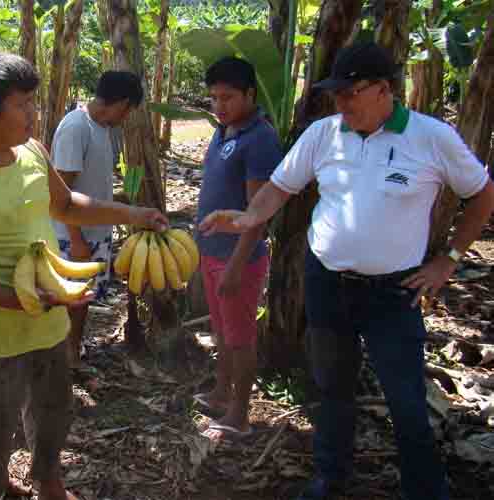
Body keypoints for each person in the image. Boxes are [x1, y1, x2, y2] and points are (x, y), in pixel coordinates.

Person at [201, 42, 494, 500]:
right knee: (332, 390)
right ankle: (329, 478)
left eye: (350, 93)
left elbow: (482, 193)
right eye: (335, 94)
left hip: (393, 293)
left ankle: (425, 488)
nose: (340, 103)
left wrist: (448, 260)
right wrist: (245, 219)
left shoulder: (431, 137)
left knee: (405, 400)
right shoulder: (325, 133)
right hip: (327, 283)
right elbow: (279, 187)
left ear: (383, 89)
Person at [0, 52, 167, 500]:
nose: (35, 113)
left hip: (49, 325)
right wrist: (23, 299)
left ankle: (47, 479)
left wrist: (136, 213)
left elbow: (66, 205)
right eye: (24, 105)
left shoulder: (31, 151)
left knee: (53, 416)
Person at [191, 57, 282, 438]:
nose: (219, 106)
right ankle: (219, 392)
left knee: (240, 337)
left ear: (250, 94)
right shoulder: (224, 131)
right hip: (213, 251)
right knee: (221, 329)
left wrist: (235, 264)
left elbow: (257, 213)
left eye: (227, 97)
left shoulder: (260, 139)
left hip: (238, 259)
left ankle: (239, 415)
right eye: (214, 98)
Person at [50, 70, 143, 368]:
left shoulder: (102, 128)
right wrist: (76, 240)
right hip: (71, 235)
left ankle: (72, 350)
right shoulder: (76, 127)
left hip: (95, 233)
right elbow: (61, 192)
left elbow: (92, 183)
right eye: (128, 111)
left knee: (82, 299)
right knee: (66, 299)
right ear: (123, 104)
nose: (126, 118)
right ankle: (58, 358)